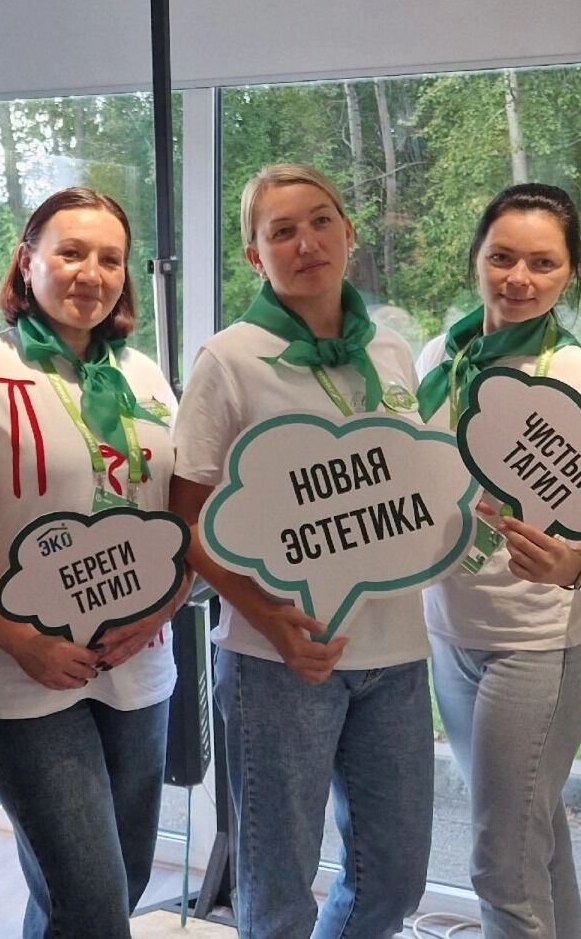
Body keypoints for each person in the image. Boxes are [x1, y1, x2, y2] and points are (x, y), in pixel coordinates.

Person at [170, 164, 433, 939]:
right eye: (281, 231)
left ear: (349, 232)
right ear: (255, 255)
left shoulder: (390, 351)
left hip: (395, 652)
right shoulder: (230, 360)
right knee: (278, 888)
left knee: (393, 879)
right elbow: (182, 524)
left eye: (321, 221)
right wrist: (270, 618)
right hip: (277, 662)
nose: (307, 242)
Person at [0, 187, 183, 939]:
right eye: (70, 252)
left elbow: (177, 515)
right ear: (27, 259)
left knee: (119, 885)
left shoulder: (144, 376)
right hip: (24, 676)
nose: (91, 274)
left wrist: (164, 606)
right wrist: (21, 641)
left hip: (138, 669)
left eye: (110, 259)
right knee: (91, 903)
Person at [414, 183, 581, 939]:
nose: (518, 278)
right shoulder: (443, 357)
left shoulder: (575, 380)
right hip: (451, 631)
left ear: (568, 274)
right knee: (535, 838)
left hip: (538, 645)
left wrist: (571, 564)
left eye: (543, 263)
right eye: (502, 257)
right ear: (476, 258)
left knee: (501, 865)